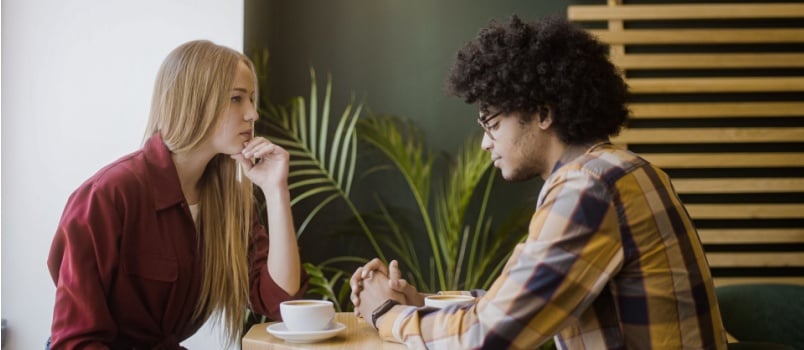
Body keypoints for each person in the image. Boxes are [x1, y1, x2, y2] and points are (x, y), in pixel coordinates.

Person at [350, 15, 727, 349]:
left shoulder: (588, 188)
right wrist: (421, 304)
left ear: (543, 113)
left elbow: (487, 338)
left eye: (492, 123)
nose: (484, 143)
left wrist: (386, 314)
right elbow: (519, 303)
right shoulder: (624, 170)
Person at [47, 40, 308, 349]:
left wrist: (276, 191)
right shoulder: (108, 195)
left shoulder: (230, 203)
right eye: (237, 98)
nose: (253, 113)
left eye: (251, 99)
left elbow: (281, 302)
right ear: (195, 102)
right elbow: (75, 342)